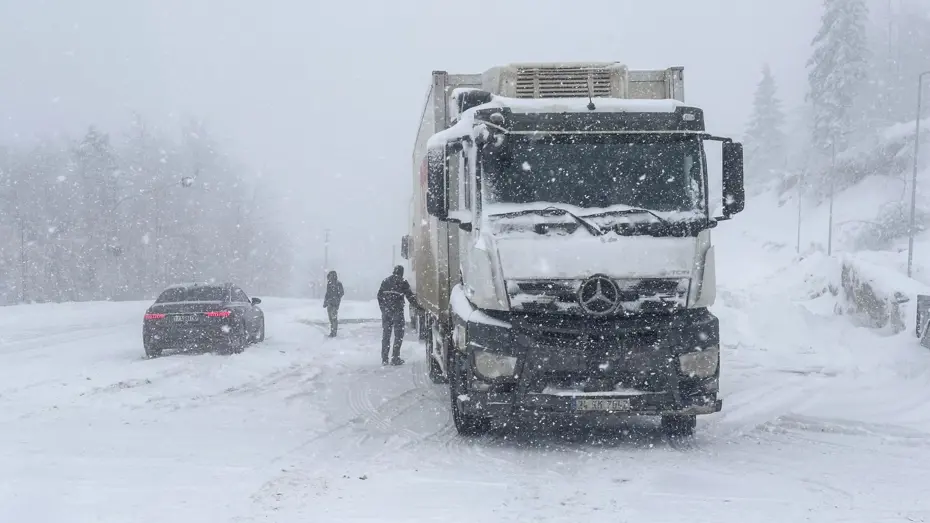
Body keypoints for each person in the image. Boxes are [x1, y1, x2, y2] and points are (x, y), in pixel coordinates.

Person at [377, 265, 418, 365]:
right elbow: (410, 297)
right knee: (398, 335)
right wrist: (418, 306)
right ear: (401, 272)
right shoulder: (403, 282)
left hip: (387, 312)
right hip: (397, 312)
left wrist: (383, 309)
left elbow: (379, 296)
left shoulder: (385, 281)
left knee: (386, 335)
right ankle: (395, 358)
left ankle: (384, 359)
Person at [322, 270, 344, 337]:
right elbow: (327, 294)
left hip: (335, 304)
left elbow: (342, 293)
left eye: (330, 276)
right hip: (329, 303)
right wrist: (325, 302)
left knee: (334, 318)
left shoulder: (338, 284)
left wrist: (336, 298)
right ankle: (332, 331)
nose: (329, 277)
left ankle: (334, 332)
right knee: (331, 319)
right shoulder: (329, 284)